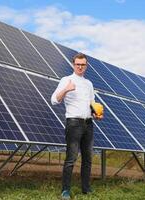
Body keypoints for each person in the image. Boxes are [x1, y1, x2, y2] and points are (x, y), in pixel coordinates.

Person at [51, 53, 101, 199]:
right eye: (78, 64)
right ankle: (65, 190)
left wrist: (96, 114)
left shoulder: (89, 84)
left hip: (88, 124)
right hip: (74, 124)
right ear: (73, 64)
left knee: (88, 158)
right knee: (71, 158)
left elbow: (92, 103)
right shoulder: (66, 80)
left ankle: (86, 189)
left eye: (83, 64)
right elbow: (54, 100)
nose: (80, 67)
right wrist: (66, 89)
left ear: (86, 66)